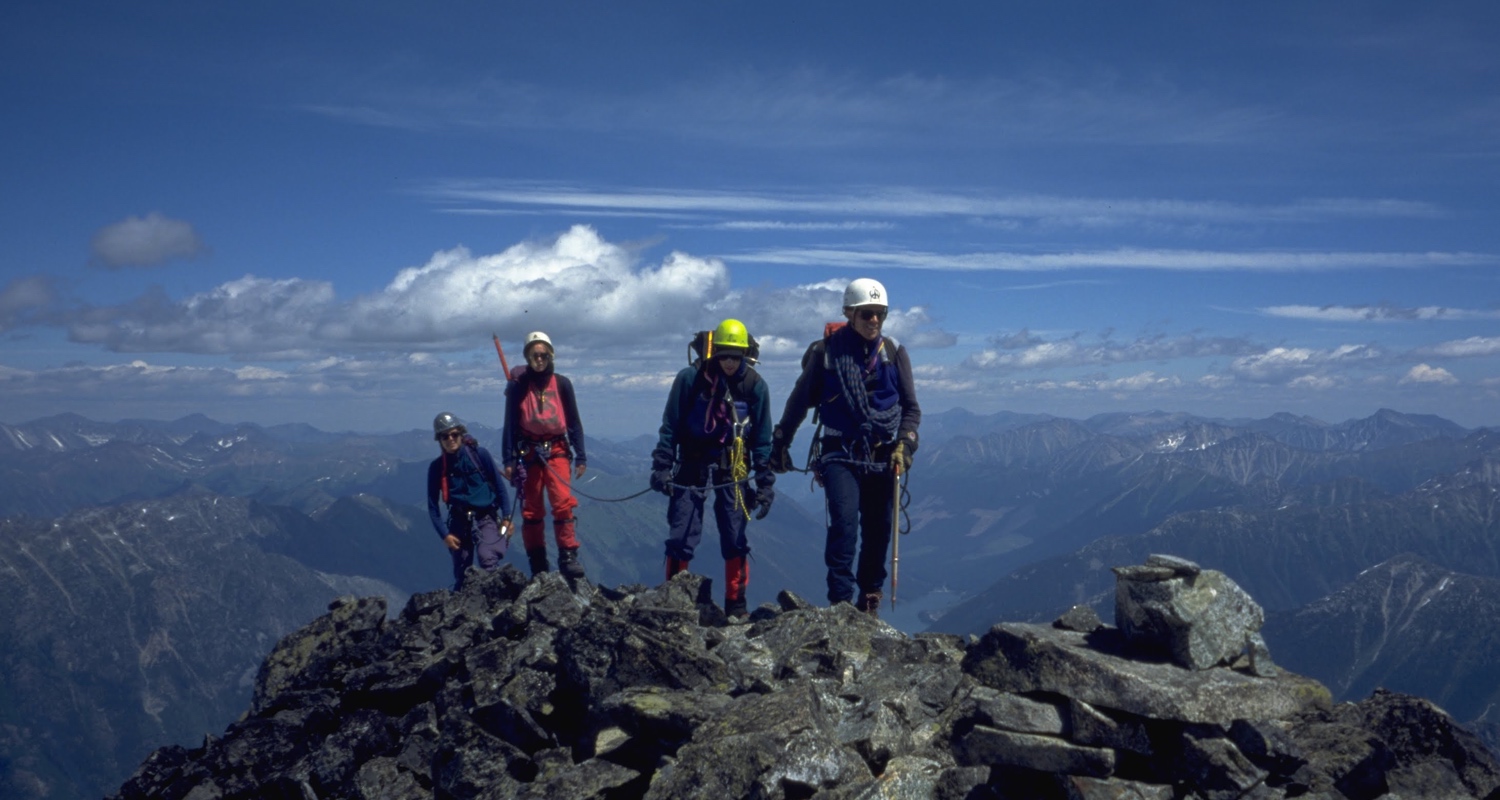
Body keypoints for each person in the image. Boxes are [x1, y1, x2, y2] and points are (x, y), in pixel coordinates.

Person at [770, 278, 921, 617]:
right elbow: (799, 402)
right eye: (867, 314)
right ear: (850, 313)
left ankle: (869, 599)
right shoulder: (827, 354)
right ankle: (840, 604)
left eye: (881, 314)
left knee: (879, 528)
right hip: (840, 450)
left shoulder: (894, 354)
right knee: (844, 525)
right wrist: (781, 442)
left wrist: (905, 445)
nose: (875, 321)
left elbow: (911, 409)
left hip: (883, 452)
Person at [651, 318, 775, 619]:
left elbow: (762, 438)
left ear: (745, 354)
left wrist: (765, 483)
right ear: (714, 352)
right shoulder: (689, 379)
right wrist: (662, 466)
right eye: (724, 355)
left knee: (735, 537)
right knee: (681, 535)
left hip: (732, 467)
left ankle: (736, 605)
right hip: (692, 464)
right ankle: (674, 600)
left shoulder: (755, 386)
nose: (730, 362)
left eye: (736, 356)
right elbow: (671, 425)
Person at [501, 331, 588, 579]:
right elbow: (510, 423)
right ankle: (538, 563)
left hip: (557, 449)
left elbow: (573, 421)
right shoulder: (519, 387)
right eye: (534, 355)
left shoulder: (562, 383)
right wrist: (508, 459)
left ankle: (568, 555)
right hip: (529, 452)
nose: (539, 359)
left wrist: (581, 455)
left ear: (550, 356)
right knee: (532, 510)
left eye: (543, 355)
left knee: (562, 503)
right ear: (527, 357)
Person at [426, 412, 514, 590]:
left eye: (454, 434)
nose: (451, 439)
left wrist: (506, 517)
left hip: (485, 517)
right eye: (445, 436)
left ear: (461, 434)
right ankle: (461, 608)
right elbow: (433, 506)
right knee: (462, 571)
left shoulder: (480, 455)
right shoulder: (436, 468)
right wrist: (445, 535)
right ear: (440, 440)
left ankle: (494, 601)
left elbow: (499, 487)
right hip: (459, 522)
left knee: (487, 557)